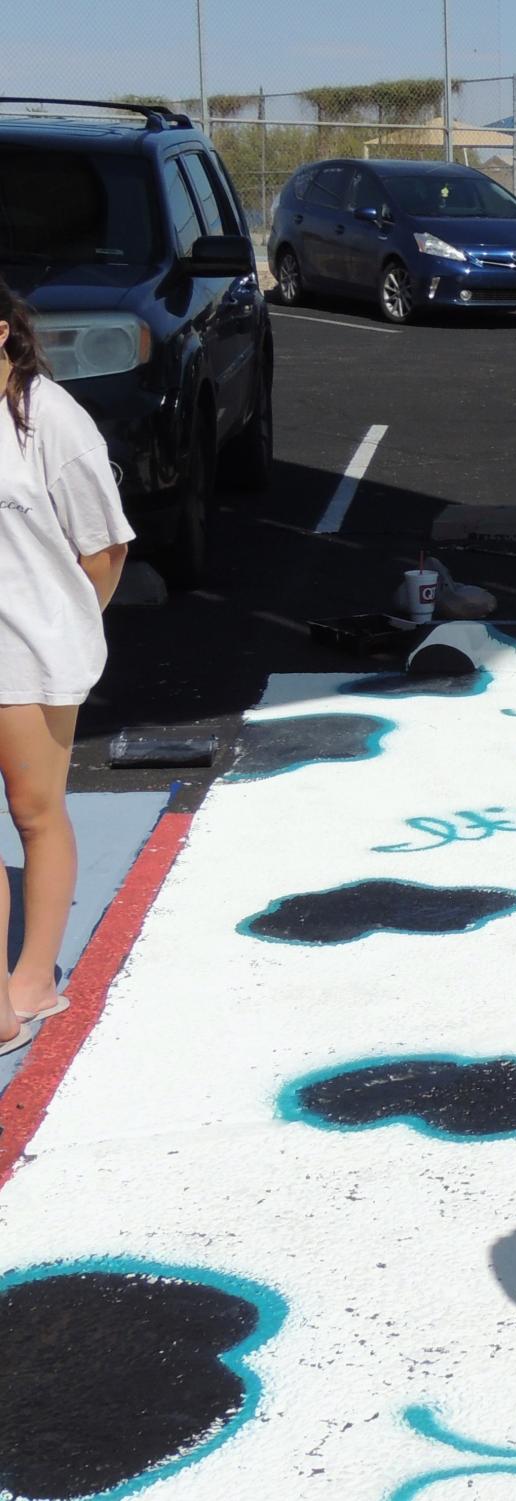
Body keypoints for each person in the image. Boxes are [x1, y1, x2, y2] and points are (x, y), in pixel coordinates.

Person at [0, 278, 131, 1055]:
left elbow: (105, 551)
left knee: (34, 813)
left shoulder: (52, 420)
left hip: (30, 654)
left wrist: (67, 626)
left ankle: (33, 980)